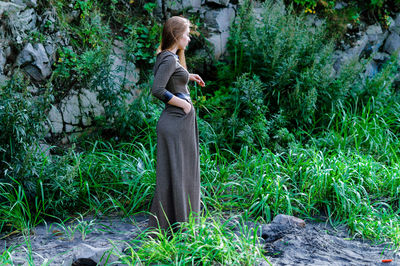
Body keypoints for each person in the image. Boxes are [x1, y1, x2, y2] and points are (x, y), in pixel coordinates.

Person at [148, 16, 205, 232]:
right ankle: (178, 226)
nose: (189, 39)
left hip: (178, 124)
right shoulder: (169, 59)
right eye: (187, 34)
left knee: (180, 172)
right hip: (175, 123)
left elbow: (171, 77)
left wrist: (188, 76)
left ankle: (179, 225)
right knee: (178, 173)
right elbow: (158, 90)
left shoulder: (168, 57)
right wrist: (183, 104)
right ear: (176, 36)